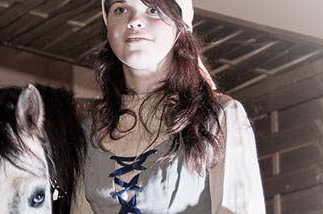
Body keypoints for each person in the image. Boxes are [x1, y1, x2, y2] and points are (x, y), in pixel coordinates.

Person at [72, 0, 265, 213]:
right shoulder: (89, 130)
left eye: (152, 10)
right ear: (107, 26)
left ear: (179, 24)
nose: (134, 21)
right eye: (121, 9)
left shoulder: (218, 115)